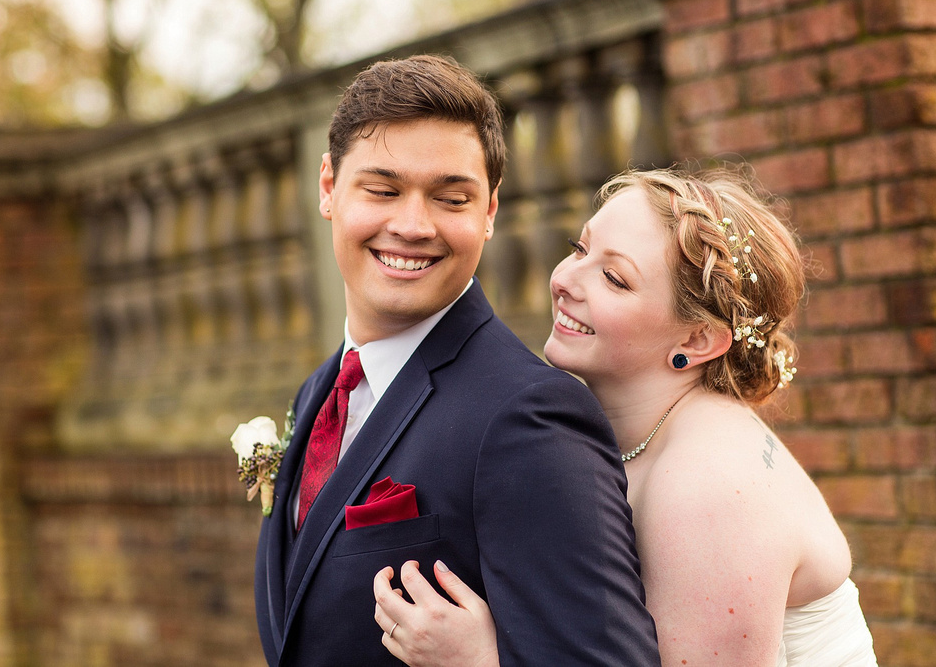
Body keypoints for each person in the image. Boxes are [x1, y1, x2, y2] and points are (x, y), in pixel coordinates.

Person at [374, 165, 879, 666]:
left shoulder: (707, 485)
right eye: (579, 248)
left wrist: (482, 661)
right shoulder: (635, 436)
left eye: (615, 278)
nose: (565, 279)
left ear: (696, 340)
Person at [253, 54, 660, 665]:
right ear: (329, 188)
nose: (413, 225)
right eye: (383, 190)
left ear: (490, 211)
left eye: (451, 198)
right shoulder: (319, 393)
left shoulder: (529, 417)